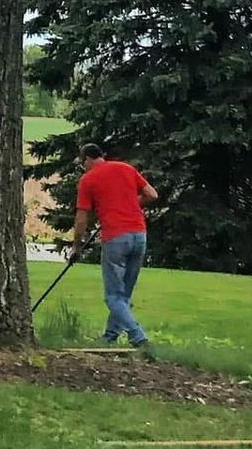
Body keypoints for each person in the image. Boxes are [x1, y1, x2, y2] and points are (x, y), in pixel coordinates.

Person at [71, 140, 159, 348]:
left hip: (115, 237)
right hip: (139, 234)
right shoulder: (126, 168)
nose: (82, 166)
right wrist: (129, 205)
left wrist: (76, 246)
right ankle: (110, 337)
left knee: (113, 296)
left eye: (82, 162)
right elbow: (152, 194)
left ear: (89, 159)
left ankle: (139, 337)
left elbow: (81, 219)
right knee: (124, 295)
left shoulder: (88, 180)